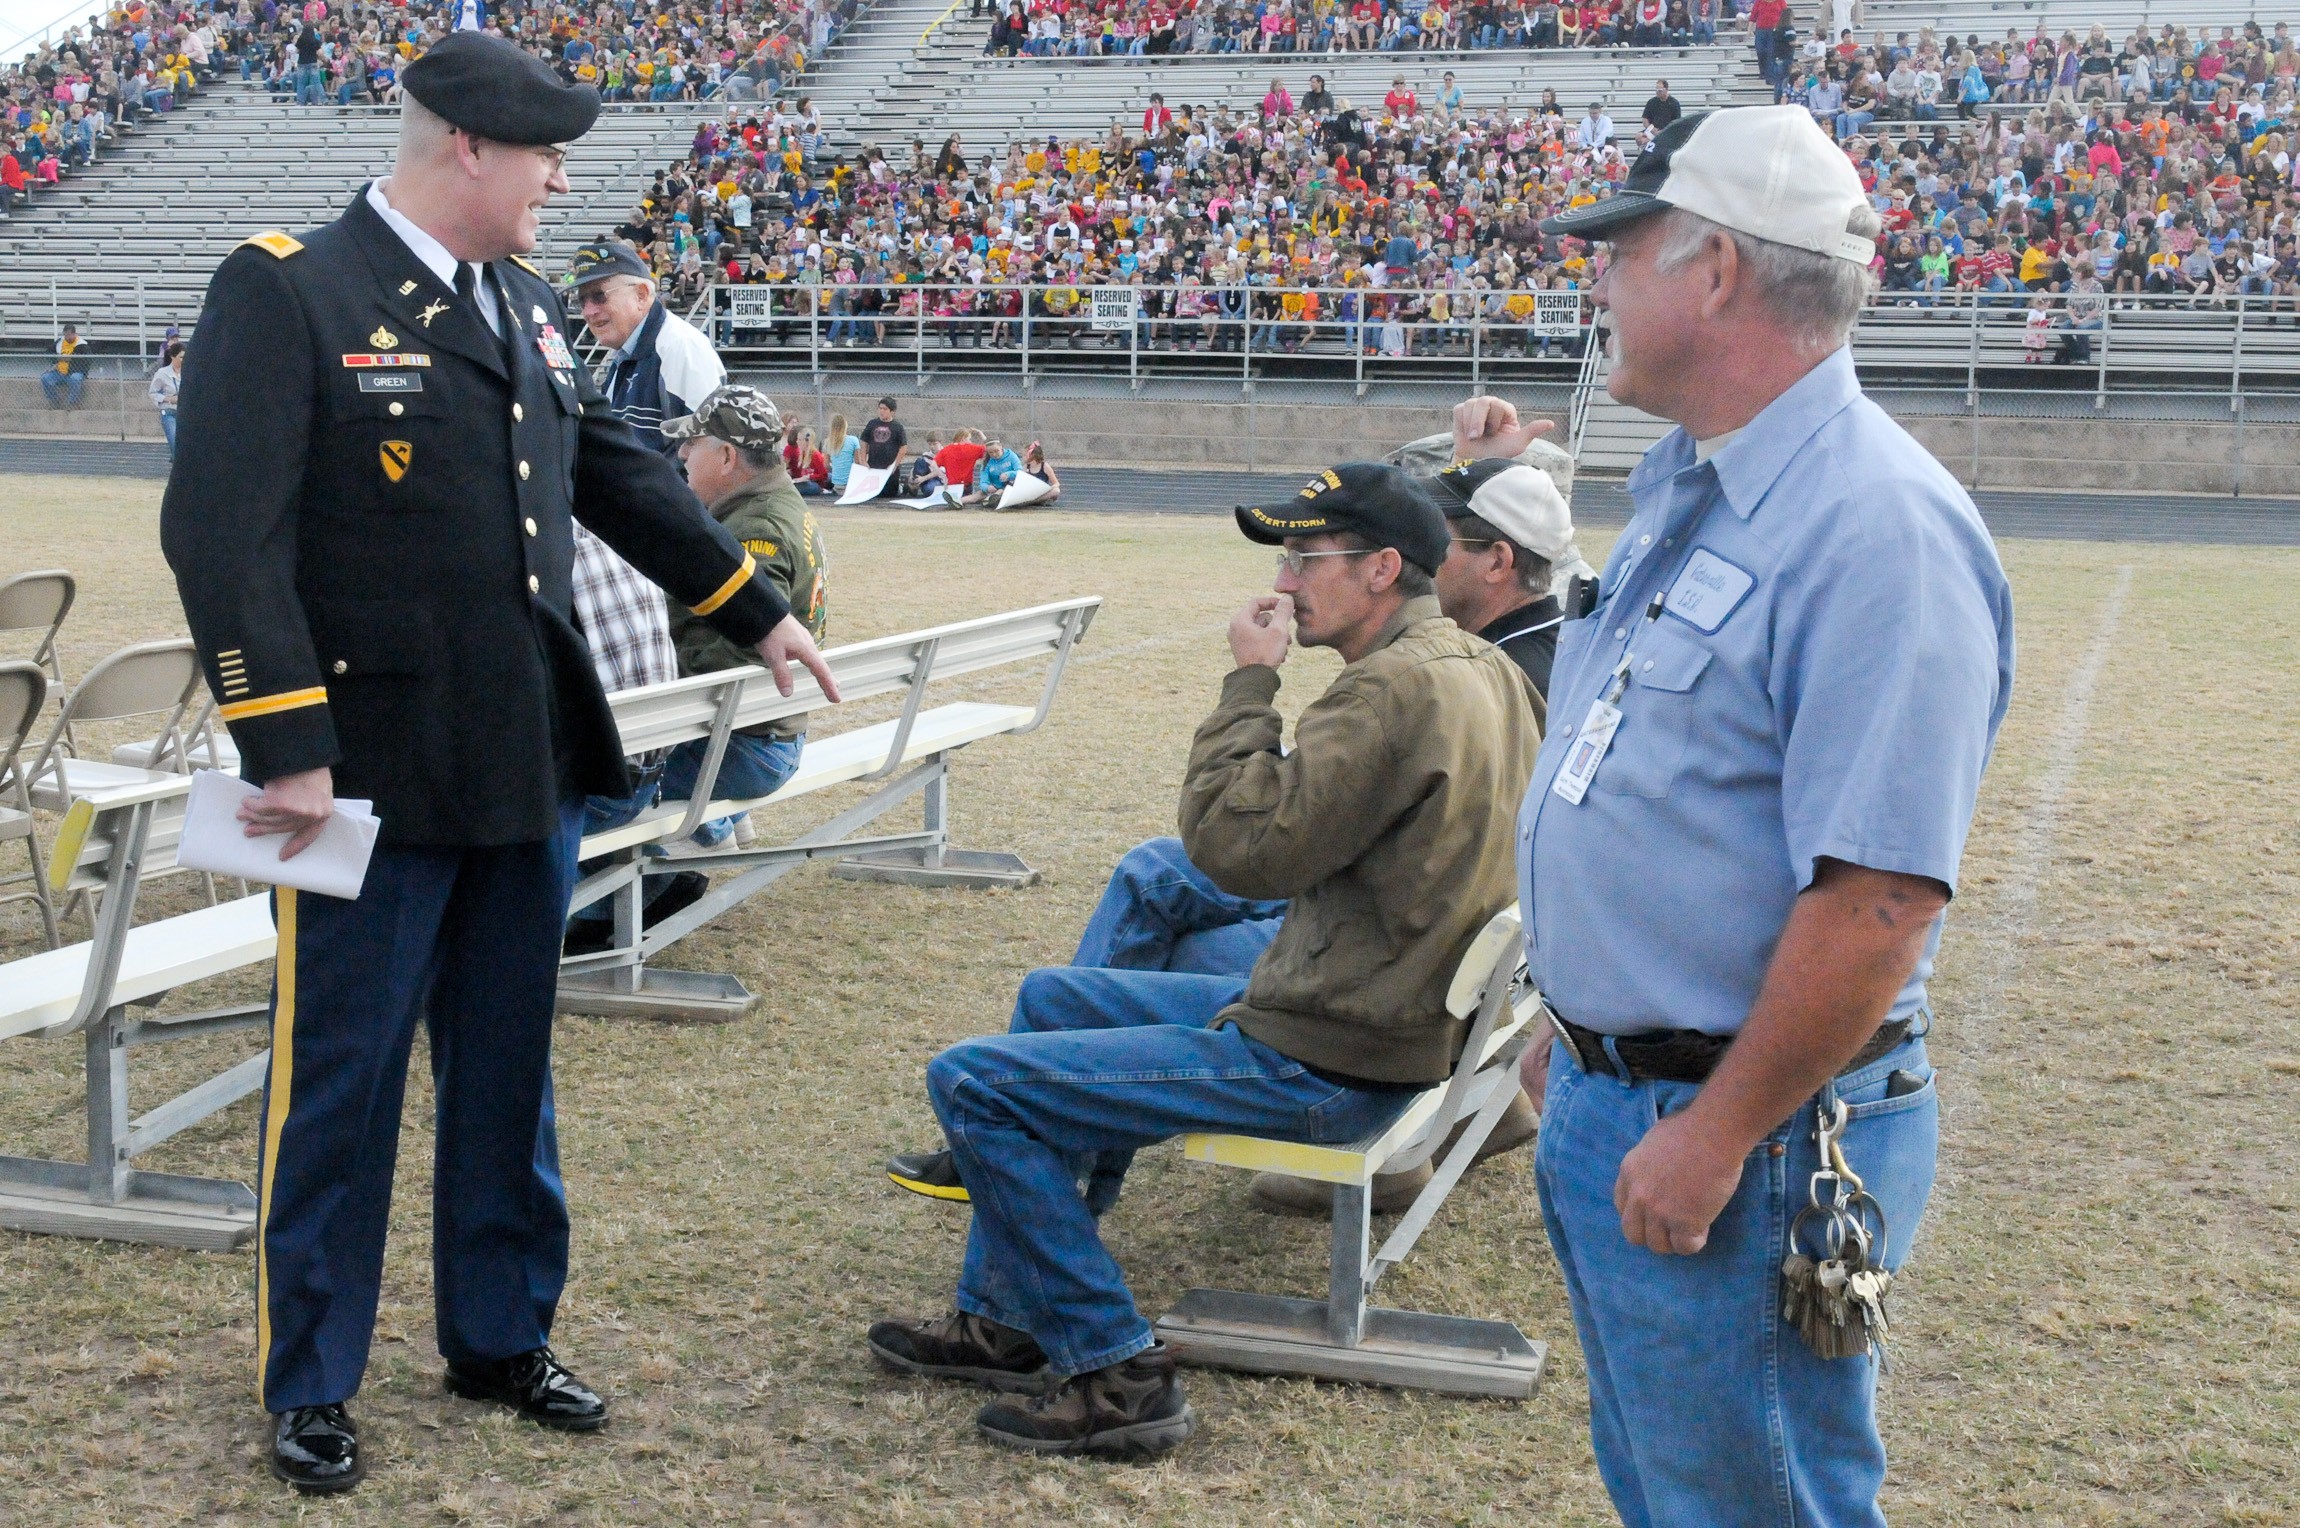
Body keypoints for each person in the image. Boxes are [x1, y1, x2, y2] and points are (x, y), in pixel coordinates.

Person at [158, 32, 839, 1496]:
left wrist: (753, 609)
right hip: (362, 775)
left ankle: (499, 1334)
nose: (559, 181)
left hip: (520, 757)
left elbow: (618, 473)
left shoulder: (524, 305)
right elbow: (222, 537)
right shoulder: (288, 286)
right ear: (466, 147)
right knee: (337, 1088)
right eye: (543, 155)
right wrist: (280, 749)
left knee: (506, 1072)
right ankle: (315, 1377)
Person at [1517, 104, 2013, 1525]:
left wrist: (1718, 1126)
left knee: (1752, 1500)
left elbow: (1879, 901)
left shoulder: (1874, 526)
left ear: (1716, 270)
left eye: (1619, 251)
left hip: (1751, 1131)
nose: (1595, 279)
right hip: (1634, 1093)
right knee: (1674, 1487)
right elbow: (1661, 787)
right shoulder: (1705, 486)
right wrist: (1589, 1035)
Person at [867, 464, 1540, 1458]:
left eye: (1306, 558)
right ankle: (1007, 1314)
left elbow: (1236, 845)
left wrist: (1249, 682)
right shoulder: (1485, 669)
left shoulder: (1385, 691)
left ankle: (1114, 1369)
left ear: (1381, 568)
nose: (1284, 579)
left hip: (1331, 1057)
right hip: (1389, 1018)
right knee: (1053, 998)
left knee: (972, 1086)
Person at [560, 236, 727, 921]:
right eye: (583, 298)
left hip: (666, 547)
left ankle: (695, 831)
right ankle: (698, 832)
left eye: (602, 294)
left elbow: (716, 454)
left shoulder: (675, 348)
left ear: (643, 291)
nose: (590, 309)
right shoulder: (631, 354)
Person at [655, 385, 829, 842]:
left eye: (692, 444)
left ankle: (694, 845)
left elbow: (744, 660)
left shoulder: (753, 528)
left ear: (728, 457)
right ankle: (721, 822)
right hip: (768, 733)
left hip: (744, 744)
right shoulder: (779, 506)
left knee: (601, 786)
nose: (683, 455)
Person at [857, 395, 906, 497]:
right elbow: (864, 441)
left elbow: (903, 447)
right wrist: (863, 461)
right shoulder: (872, 424)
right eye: (880, 408)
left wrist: (894, 465)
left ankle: (900, 487)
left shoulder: (898, 427)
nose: (881, 411)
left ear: (892, 411)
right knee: (873, 493)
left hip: (889, 469)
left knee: (889, 493)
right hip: (873, 466)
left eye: (885, 409)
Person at [150, 340, 185, 453]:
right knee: (175, 443)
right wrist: (169, 399)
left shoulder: (189, 372)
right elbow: (152, 393)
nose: (183, 360)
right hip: (169, 412)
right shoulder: (162, 373)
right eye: (181, 357)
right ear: (172, 357)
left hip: (186, 413)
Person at [42, 324, 86, 408]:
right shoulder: (60, 342)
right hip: (60, 372)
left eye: (69, 335)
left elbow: (85, 362)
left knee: (75, 378)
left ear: (74, 334)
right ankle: (54, 401)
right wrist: (55, 362)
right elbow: (48, 352)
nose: (67, 337)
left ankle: (71, 403)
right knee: (45, 378)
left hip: (74, 372)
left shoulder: (82, 344)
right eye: (65, 335)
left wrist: (71, 360)